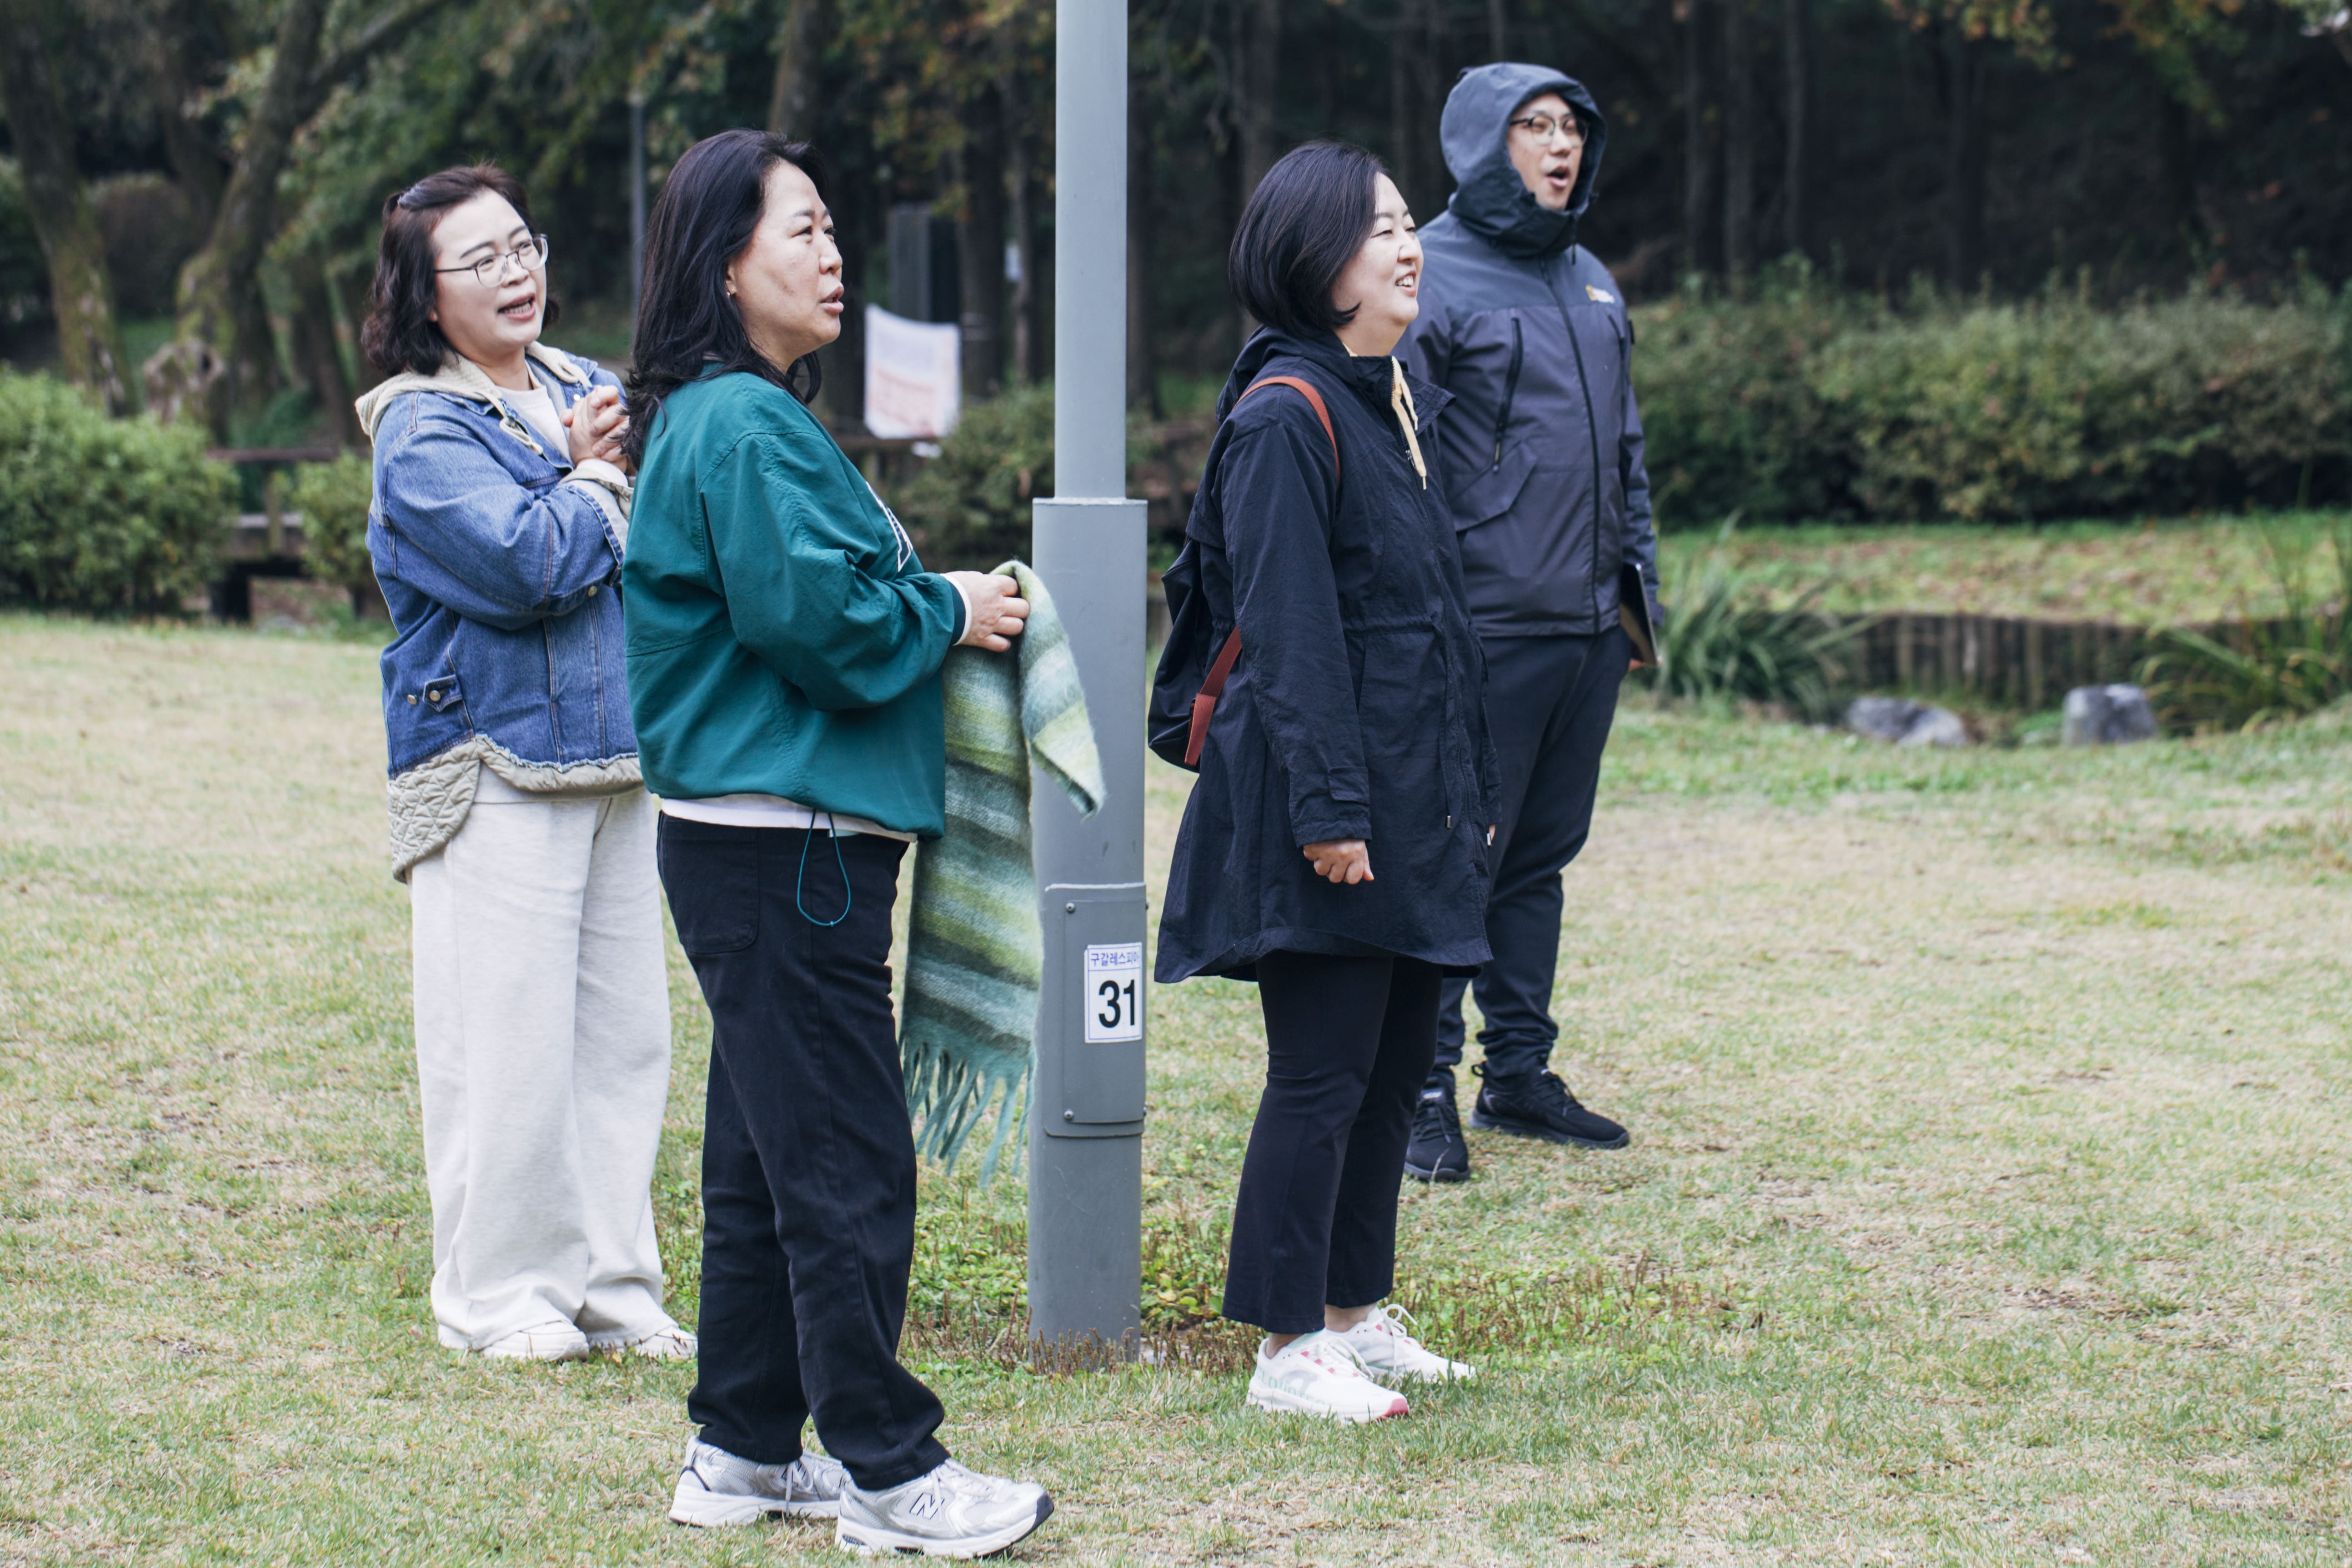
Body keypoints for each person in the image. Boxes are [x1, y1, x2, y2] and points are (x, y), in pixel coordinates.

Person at [619, 129, 1055, 1558]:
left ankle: (742, 1450)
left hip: (760, 846)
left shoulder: (729, 417)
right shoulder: (742, 424)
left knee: (764, 1163)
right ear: (722, 264)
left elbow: (806, 596)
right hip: (781, 849)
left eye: (828, 228)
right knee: (844, 1163)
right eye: (800, 229)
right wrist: (949, 610)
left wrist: (927, 599)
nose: (832, 253)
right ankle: (889, 1471)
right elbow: (819, 622)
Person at [1153, 141, 1494, 1423]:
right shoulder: (1283, 416)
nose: (1409, 247)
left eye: (1408, 223)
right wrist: (1332, 812)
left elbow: (1426, 622)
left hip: (1407, 796)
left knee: (1393, 1066)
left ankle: (1352, 1314)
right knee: (1320, 1073)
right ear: (1315, 260)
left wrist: (1463, 791)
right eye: (1379, 228)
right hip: (1326, 807)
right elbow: (1292, 636)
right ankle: (1288, 1343)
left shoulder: (1383, 398)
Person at [352, 165, 687, 1363]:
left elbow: (666, 531)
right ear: (423, 296)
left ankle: (615, 1288)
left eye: (523, 246)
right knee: (509, 1047)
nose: (516, 273)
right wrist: (595, 476)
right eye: (481, 260)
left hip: (618, 756)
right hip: (488, 763)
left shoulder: (584, 385)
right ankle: (501, 1298)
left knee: (622, 1045)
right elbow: (528, 566)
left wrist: (603, 469)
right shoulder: (420, 427)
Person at [1395, 64, 1662, 1183]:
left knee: (1539, 859)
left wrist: (1634, 602)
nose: (1560, 147)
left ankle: (1517, 1074)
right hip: (1484, 630)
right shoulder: (1427, 274)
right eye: (1534, 127)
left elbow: (1626, 455)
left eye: (1572, 128)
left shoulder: (1590, 279)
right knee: (1457, 861)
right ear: (1479, 143)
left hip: (1586, 631)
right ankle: (1419, 1090)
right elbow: (1402, 466)